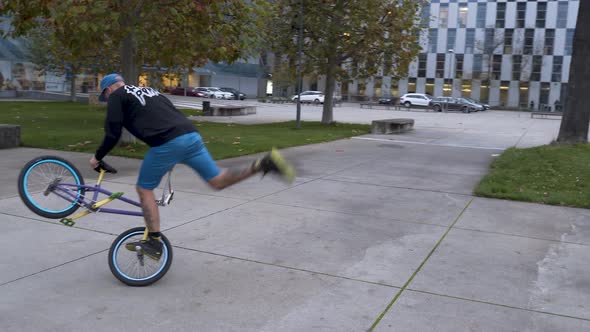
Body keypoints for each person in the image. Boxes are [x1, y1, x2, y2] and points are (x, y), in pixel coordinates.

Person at [91, 74, 295, 260]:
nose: (108, 100)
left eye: (106, 96)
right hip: (190, 136)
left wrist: (98, 157)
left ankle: (153, 241)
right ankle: (261, 165)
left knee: (144, 189)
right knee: (217, 181)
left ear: (108, 90)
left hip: (167, 142)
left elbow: (112, 133)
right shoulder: (150, 90)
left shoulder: (117, 95)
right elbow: (165, 114)